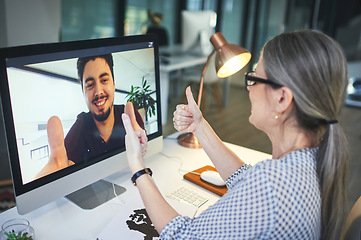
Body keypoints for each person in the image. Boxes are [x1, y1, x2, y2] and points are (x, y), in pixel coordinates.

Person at [122, 30, 349, 240]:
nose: (248, 87)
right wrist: (199, 126)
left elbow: (181, 236)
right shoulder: (311, 158)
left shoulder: (271, 184)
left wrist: (138, 167)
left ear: (282, 99)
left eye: (255, 79)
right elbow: (245, 180)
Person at [35, 54, 144, 179]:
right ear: (83, 92)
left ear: (113, 84)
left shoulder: (131, 117)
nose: (98, 92)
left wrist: (142, 148)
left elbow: (144, 153)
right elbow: (63, 162)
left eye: (104, 80)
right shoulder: (80, 126)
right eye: (90, 84)